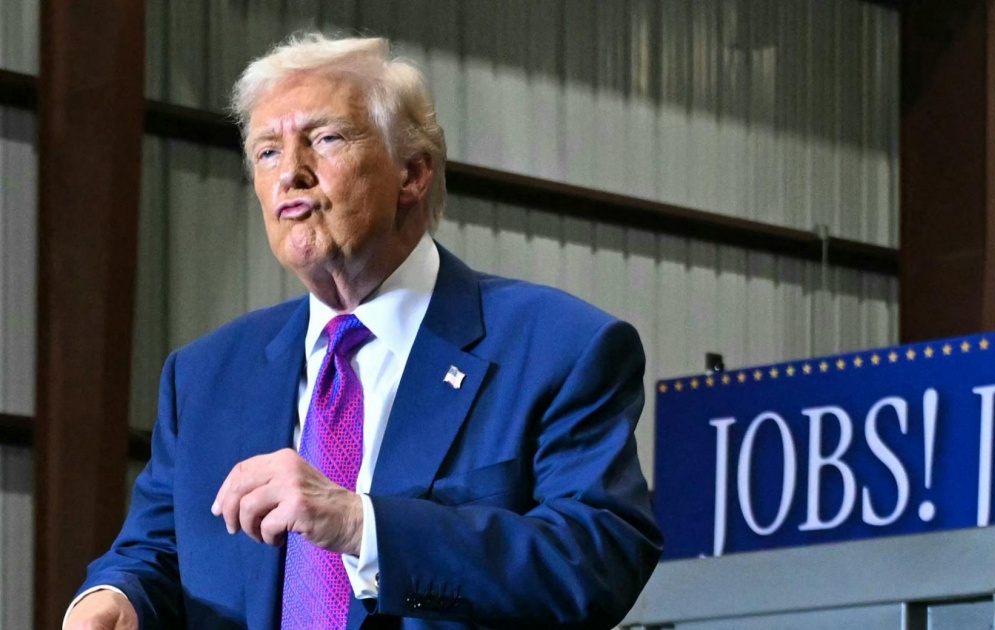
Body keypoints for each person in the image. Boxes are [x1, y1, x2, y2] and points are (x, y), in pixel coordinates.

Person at [65, 33, 661, 630]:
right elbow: (156, 554)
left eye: (325, 139)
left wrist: (361, 525)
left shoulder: (558, 348)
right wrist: (116, 599)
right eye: (267, 151)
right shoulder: (205, 377)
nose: (290, 174)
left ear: (413, 174)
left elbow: (597, 561)